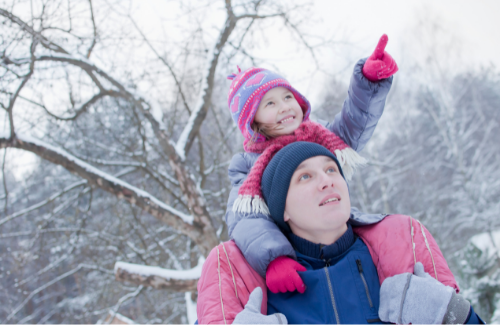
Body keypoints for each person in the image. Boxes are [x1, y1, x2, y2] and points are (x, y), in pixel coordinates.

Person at [197, 142, 484, 324]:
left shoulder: (399, 263)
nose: (326, 180)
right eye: (305, 176)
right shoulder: (257, 290)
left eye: (332, 170)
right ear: (282, 209)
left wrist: (454, 316)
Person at [226, 34, 398, 294]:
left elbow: (354, 125)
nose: (284, 107)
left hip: (337, 239)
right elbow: (245, 219)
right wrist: (274, 257)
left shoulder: (320, 137)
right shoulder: (248, 165)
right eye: (270, 103)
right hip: (295, 256)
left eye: (287, 97)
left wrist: (369, 84)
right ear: (253, 121)